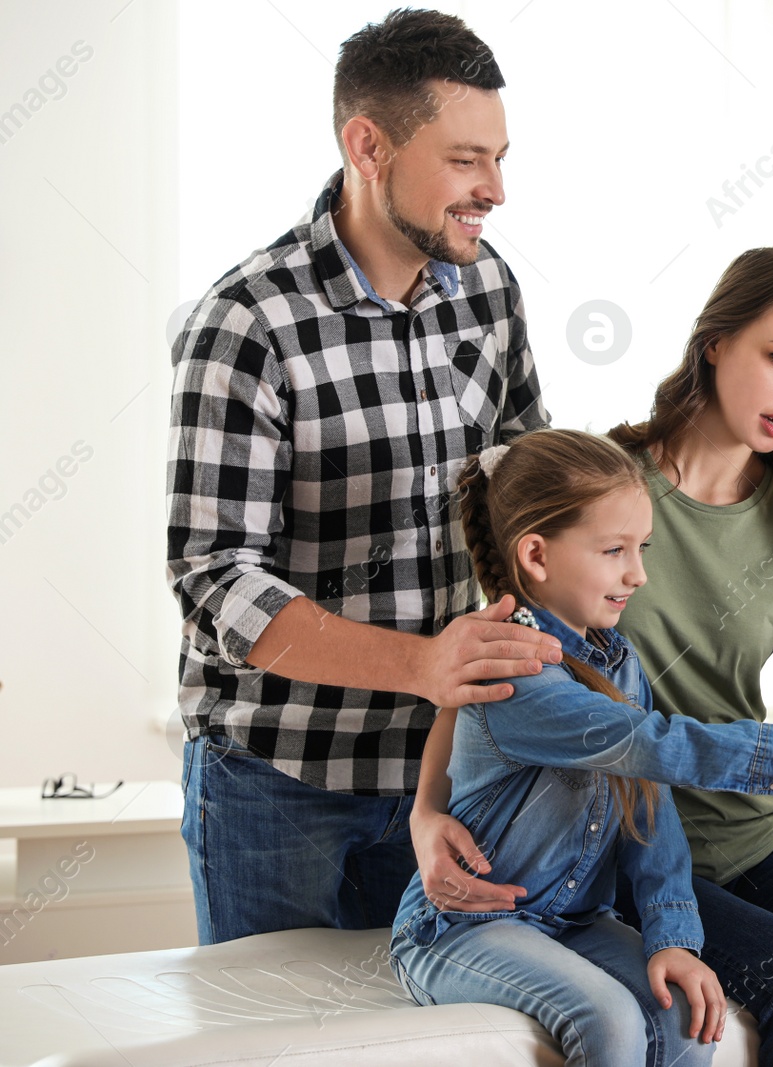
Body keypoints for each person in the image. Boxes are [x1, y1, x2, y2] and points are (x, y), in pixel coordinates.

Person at [413, 248, 773, 1065]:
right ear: (715, 344)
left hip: (756, 842)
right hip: (626, 850)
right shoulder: (608, 492)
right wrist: (423, 810)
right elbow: (491, 664)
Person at [165, 9, 560, 945]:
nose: (495, 189)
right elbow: (216, 580)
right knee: (280, 1045)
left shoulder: (489, 288)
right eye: (467, 159)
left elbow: (523, 481)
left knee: (438, 1040)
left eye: (501, 157)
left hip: (448, 773)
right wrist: (423, 664)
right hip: (279, 782)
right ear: (368, 144)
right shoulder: (246, 322)